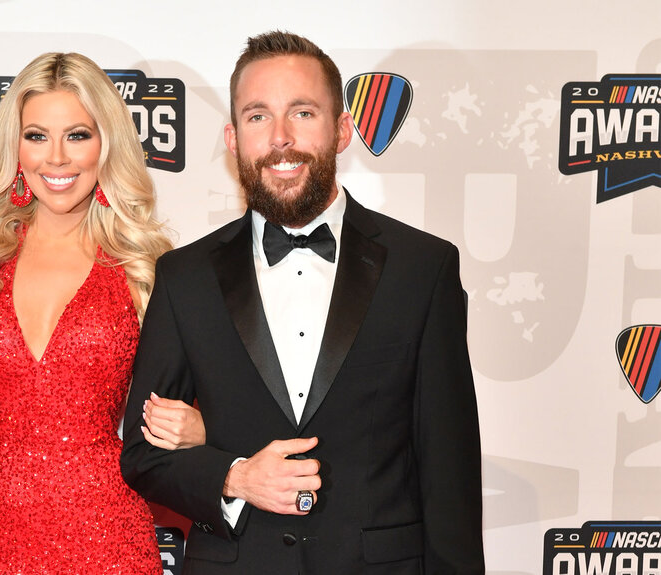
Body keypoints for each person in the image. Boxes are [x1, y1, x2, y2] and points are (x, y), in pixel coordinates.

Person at [121, 31, 485, 574]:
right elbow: (144, 458)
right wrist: (234, 477)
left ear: (341, 131)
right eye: (258, 116)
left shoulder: (422, 269)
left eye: (303, 113)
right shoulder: (184, 277)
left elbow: (448, 471)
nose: (281, 138)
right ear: (233, 136)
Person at [0, 52, 204, 574]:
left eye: (77, 135)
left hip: (106, 536)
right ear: (14, 146)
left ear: (106, 146)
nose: (55, 158)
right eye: (36, 136)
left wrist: (200, 425)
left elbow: (214, 403)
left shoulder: (147, 267)